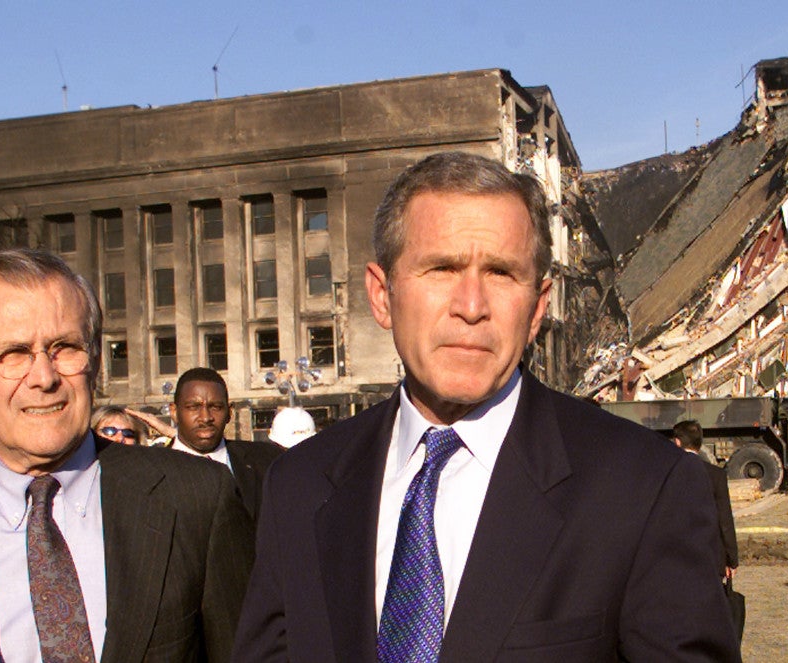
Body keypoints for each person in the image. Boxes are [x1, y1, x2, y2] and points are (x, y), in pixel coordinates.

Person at [233, 152, 740, 661]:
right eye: (441, 268)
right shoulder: (298, 487)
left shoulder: (645, 487)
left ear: (538, 306)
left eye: (500, 273)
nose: (471, 306)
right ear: (382, 296)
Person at [0, 249, 253, 662]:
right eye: (14, 353)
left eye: (64, 348)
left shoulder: (196, 500)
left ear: (95, 359)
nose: (44, 377)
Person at [167, 367, 285, 519]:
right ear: (174, 412)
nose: (205, 417)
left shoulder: (268, 462)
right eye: (193, 407)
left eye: (216, 407)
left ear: (229, 412)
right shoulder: (149, 473)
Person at [673, 420, 739, 579]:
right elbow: (724, 520)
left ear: (677, 442)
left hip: (675, 558)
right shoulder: (716, 475)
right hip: (710, 556)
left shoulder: (667, 474)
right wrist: (732, 559)